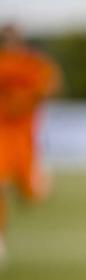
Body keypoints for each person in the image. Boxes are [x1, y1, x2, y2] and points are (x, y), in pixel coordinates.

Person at [0, 24, 60, 263]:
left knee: (31, 195)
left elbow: (51, 82)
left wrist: (31, 98)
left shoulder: (31, 64)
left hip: (25, 136)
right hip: (3, 134)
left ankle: (40, 181)